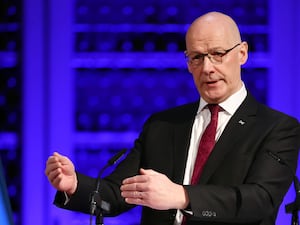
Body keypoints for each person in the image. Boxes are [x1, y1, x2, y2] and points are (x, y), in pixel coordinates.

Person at [45, 11, 300, 225]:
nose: (207, 68)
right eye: (197, 57)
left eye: (218, 54)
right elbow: (116, 194)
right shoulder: (163, 125)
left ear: (242, 53)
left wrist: (182, 196)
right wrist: (75, 185)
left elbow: (260, 201)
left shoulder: (276, 128)